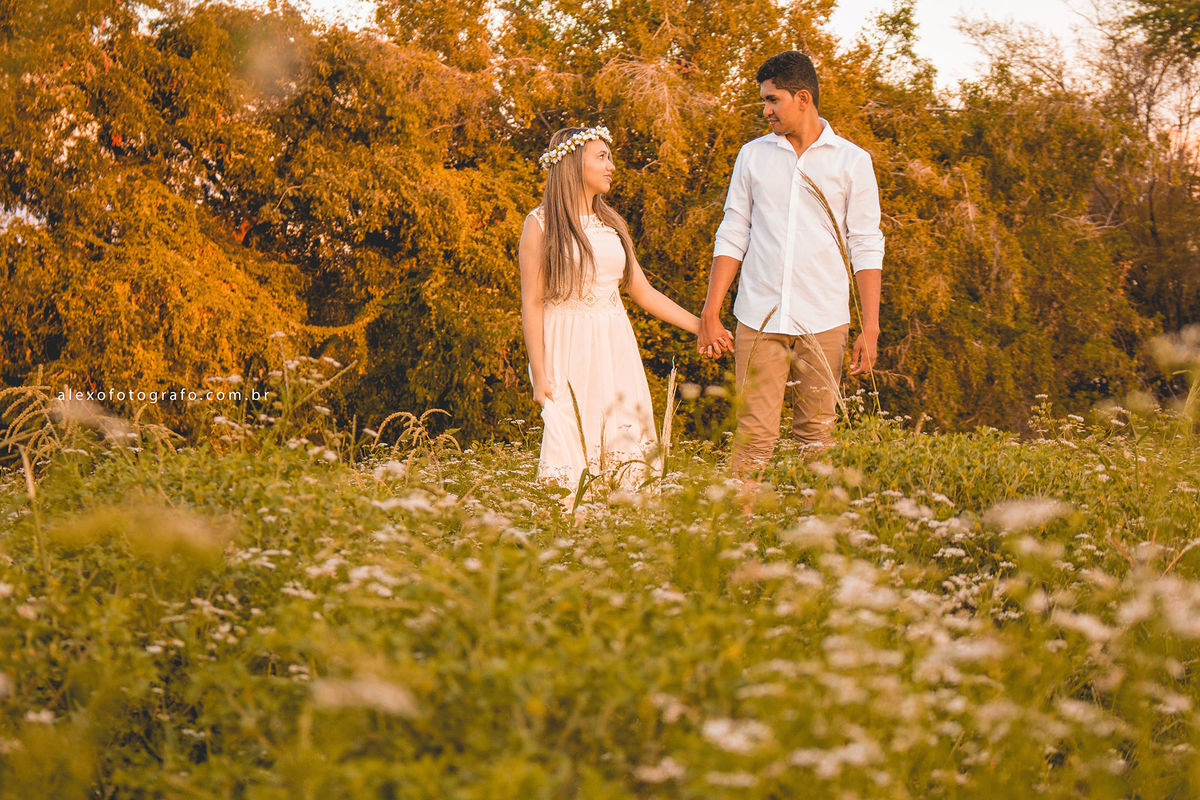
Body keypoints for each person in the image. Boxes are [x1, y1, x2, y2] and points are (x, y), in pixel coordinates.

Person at [697, 50, 884, 475]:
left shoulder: (853, 161)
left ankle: (810, 538)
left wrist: (870, 327)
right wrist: (711, 311)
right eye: (763, 101)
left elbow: (867, 244)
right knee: (752, 440)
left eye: (772, 100)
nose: (765, 110)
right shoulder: (753, 156)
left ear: (803, 98)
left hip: (825, 320)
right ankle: (738, 536)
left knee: (816, 440)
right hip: (758, 319)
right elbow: (732, 232)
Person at [518, 125, 732, 492]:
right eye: (601, 157)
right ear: (572, 164)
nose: (610, 166)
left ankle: (624, 532)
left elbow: (643, 291)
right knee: (569, 449)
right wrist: (539, 373)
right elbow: (532, 303)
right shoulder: (540, 225)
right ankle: (566, 534)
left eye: (609, 157)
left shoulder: (611, 223)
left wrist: (702, 327)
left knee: (625, 440)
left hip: (615, 347)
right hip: (566, 351)